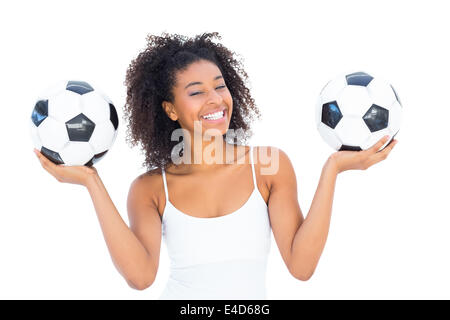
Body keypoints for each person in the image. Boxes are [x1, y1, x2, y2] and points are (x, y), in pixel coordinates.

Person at [33, 32, 398, 299]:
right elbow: (141, 278)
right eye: (196, 92)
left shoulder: (268, 166)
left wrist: (332, 168)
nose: (216, 100)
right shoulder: (149, 188)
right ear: (170, 110)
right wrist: (91, 182)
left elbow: (301, 268)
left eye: (220, 86)